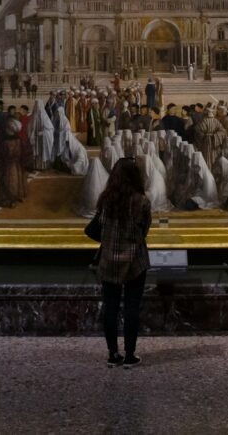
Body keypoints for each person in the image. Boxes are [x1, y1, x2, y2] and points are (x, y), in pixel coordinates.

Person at [95, 157, 152, 368]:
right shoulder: (142, 202)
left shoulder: (105, 200)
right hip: (135, 261)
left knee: (110, 308)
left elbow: (98, 228)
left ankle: (112, 354)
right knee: (131, 308)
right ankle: (130, 355)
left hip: (109, 259)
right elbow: (144, 231)